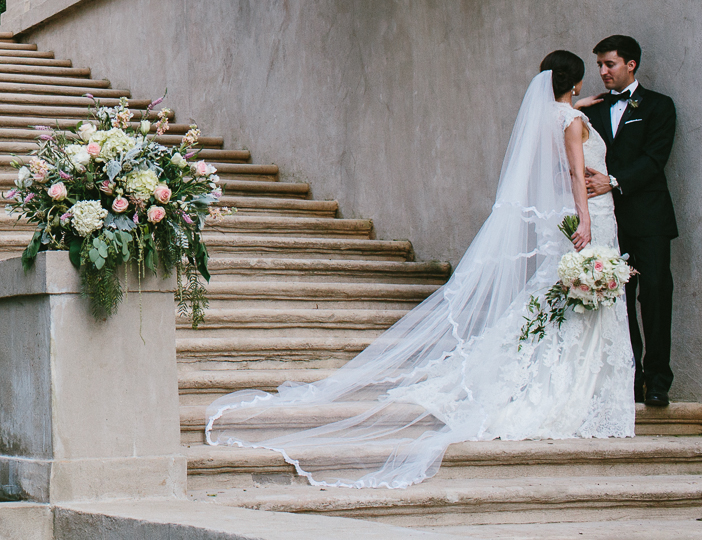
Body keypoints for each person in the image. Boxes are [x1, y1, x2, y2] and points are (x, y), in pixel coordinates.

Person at [206, 53, 635, 489]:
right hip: (587, 218)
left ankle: (546, 373)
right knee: (579, 301)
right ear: (576, 85)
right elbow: (579, 175)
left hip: (555, 220)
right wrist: (584, 219)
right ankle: (577, 387)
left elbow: (558, 130)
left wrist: (576, 107)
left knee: (556, 296)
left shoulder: (546, 117)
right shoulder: (572, 123)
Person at [577, 36, 677, 408]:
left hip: (649, 219)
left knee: (655, 295)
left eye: (609, 64)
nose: (602, 72)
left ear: (630, 65)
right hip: (608, 223)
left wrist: (612, 182)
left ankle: (657, 381)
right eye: (600, 65)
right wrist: (574, 106)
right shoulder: (595, 110)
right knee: (616, 299)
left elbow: (655, 159)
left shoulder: (658, 106)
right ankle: (630, 378)